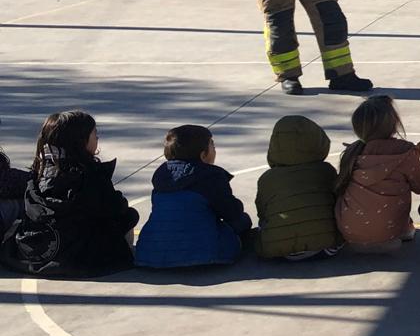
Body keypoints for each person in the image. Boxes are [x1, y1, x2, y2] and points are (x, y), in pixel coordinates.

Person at [0, 111, 139, 277]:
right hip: (77, 258)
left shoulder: (39, 175)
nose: (97, 137)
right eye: (94, 133)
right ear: (80, 141)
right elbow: (113, 208)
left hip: (38, 252)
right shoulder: (91, 177)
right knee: (128, 216)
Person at [134, 125, 253, 268]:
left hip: (150, 254)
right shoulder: (211, 176)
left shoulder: (162, 176)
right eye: (212, 145)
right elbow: (231, 212)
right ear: (203, 155)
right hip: (205, 254)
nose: (215, 150)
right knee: (242, 221)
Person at [334, 95, 420, 251]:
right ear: (394, 125)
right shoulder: (404, 153)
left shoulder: (352, 153)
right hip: (390, 232)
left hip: (349, 231)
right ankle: (396, 229)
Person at [256, 115, 341, 261]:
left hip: (279, 249)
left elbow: (262, 212)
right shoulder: (326, 171)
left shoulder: (267, 178)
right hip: (326, 245)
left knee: (262, 226)